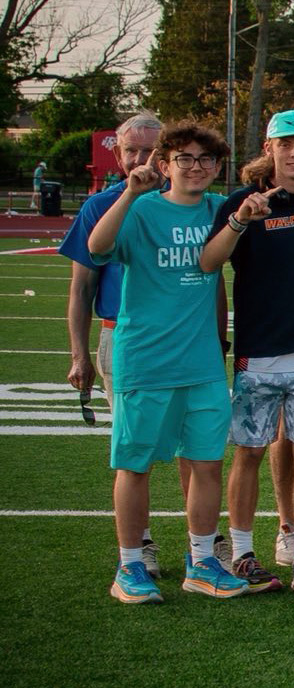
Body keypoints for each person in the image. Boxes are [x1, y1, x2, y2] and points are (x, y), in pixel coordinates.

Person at [89, 122, 248, 603]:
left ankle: (201, 562)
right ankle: (130, 565)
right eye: (184, 158)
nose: (195, 167)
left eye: (205, 159)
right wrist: (128, 195)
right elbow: (97, 248)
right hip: (146, 358)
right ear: (165, 165)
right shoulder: (141, 210)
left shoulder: (219, 211)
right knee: (135, 465)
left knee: (205, 463)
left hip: (200, 362)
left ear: (218, 167)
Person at [198, 110, 294, 596]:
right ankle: (243, 553)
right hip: (259, 352)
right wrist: (241, 222)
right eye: (285, 144)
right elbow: (209, 261)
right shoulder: (243, 202)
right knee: (249, 452)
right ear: (270, 148)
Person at [61, 113, 165, 575]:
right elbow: (81, 288)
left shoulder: (189, 200)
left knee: (193, 448)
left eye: (151, 150)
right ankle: (139, 545)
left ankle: (205, 541)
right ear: (119, 155)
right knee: (133, 447)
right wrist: (79, 354)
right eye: (132, 151)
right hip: (120, 336)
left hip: (181, 339)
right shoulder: (100, 206)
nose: (141, 159)